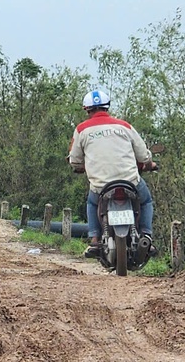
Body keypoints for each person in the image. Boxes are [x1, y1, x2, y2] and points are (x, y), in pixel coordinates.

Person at [67, 90, 157, 258]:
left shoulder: (82, 130)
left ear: (86, 109)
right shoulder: (124, 126)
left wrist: (81, 166)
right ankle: (146, 236)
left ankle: (94, 240)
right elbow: (144, 155)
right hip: (130, 182)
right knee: (146, 201)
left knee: (92, 204)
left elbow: (74, 160)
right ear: (107, 107)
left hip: (101, 186)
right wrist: (150, 164)